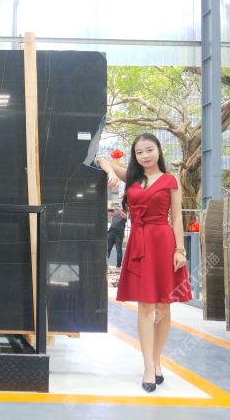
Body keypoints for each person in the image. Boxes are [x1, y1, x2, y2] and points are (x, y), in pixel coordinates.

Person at [97, 133, 191, 393]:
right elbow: (102, 158)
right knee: (145, 305)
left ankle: (157, 360)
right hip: (139, 243)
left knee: (163, 306)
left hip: (164, 243)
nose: (145, 155)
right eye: (139, 152)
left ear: (158, 150)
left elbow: (177, 218)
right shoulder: (132, 177)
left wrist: (180, 250)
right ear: (135, 156)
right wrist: (110, 172)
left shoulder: (171, 180)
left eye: (149, 150)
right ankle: (148, 366)